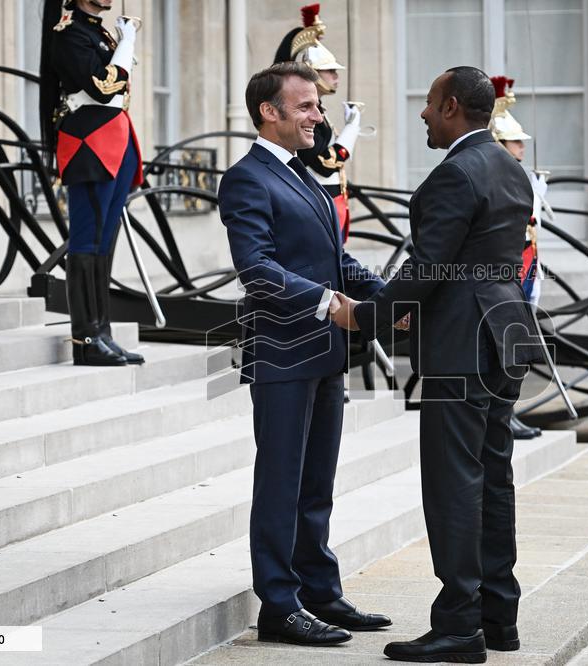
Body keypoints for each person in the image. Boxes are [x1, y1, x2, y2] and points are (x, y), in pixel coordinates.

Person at [331, 66, 545, 663]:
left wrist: (364, 317)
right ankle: (498, 617)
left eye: (429, 103)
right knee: (493, 477)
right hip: (504, 331)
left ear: (451, 107)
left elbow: (428, 267)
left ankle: (458, 627)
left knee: (454, 484)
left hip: (463, 342)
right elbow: (476, 262)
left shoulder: (457, 171)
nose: (423, 113)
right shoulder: (509, 166)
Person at [217, 61, 390, 646]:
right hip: (282, 354)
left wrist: (391, 299)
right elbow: (256, 269)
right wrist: (331, 304)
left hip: (324, 353)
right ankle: (279, 605)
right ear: (270, 112)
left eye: (318, 105)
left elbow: (336, 259)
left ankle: (319, 591)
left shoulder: (305, 173)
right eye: (307, 106)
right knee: (281, 483)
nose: (319, 115)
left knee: (316, 484)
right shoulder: (246, 179)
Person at [39, 0, 145, 366]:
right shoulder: (69, 34)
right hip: (91, 143)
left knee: (104, 244)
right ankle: (85, 339)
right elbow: (103, 87)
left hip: (115, 137)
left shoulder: (96, 32)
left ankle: (102, 333)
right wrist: (127, 43)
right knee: (88, 242)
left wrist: (121, 42)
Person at [490, 75, 557, 441]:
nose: (522, 147)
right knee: (508, 345)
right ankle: (504, 413)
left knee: (518, 342)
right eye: (515, 142)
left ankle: (509, 411)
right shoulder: (501, 177)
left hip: (526, 266)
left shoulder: (515, 175)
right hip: (508, 271)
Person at [273, 3, 362, 243]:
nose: (336, 76)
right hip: (319, 202)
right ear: (311, 72)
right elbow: (324, 164)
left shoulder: (320, 112)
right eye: (329, 70)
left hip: (329, 200)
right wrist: (352, 129)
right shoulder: (303, 116)